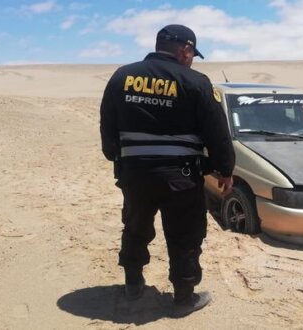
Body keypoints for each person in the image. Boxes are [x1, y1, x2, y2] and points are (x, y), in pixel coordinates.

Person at [99, 24, 235, 316]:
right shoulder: (195, 82)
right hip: (181, 178)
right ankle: (184, 299)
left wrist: (115, 156)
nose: (192, 59)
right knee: (185, 237)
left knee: (135, 229)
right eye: (192, 54)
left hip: (135, 175)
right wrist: (225, 169)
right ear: (185, 50)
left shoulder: (122, 76)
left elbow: (107, 123)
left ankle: (133, 286)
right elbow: (217, 133)